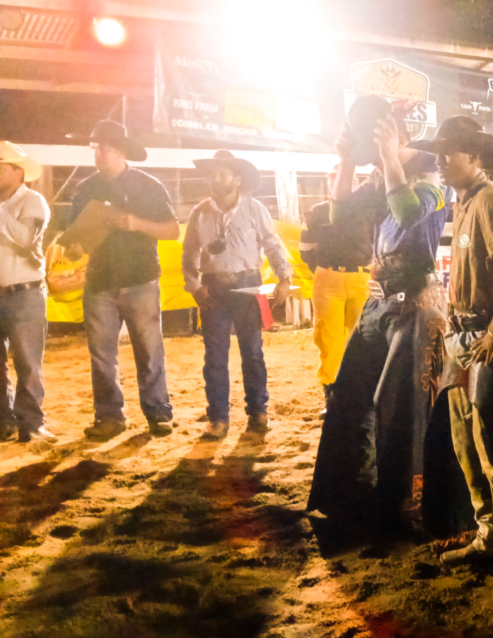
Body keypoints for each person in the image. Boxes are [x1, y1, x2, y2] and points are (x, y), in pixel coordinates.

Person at [308, 96, 471, 540]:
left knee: (399, 407)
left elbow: (408, 212)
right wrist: (346, 162)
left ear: (395, 133)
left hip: (417, 303)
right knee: (348, 396)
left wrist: (388, 159)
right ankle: (350, 497)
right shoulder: (382, 172)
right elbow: (340, 216)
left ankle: (406, 508)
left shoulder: (431, 169)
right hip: (379, 302)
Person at [410, 116, 493, 618]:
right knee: (469, 449)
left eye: (451, 151)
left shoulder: (489, 202)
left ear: (476, 157)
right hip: (464, 338)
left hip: (487, 339)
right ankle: (490, 538)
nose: (441, 160)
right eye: (439, 151)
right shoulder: (464, 202)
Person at [64, 121, 179, 440]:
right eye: (94, 148)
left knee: (149, 351)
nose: (96, 154)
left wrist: (136, 223)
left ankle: (156, 412)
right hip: (101, 280)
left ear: (120, 151)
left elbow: (172, 230)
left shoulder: (148, 185)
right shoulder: (85, 189)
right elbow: (74, 236)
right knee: (102, 355)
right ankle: (111, 415)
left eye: (102, 148)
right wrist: (75, 248)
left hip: (140, 278)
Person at [182, 150, 292, 440]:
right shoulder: (199, 213)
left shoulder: (254, 209)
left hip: (248, 287)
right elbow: (189, 252)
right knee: (215, 356)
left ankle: (258, 412)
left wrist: (284, 277)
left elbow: (272, 244)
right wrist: (195, 286)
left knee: (252, 352)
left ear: (237, 179)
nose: (215, 179)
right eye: (213, 173)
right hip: (213, 289)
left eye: (222, 173)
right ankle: (218, 418)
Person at [300, 166, 372, 403]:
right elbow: (306, 250)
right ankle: (332, 396)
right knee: (329, 340)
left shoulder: (370, 210)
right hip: (330, 280)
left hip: (361, 279)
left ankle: (358, 396)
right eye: (333, 180)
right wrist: (323, 271)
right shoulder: (317, 212)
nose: (338, 183)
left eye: (344, 179)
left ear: (356, 183)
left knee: (362, 339)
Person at [0, 142, 53, 443]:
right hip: (16, 293)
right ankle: (4, 422)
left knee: (27, 363)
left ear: (18, 173)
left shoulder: (33, 202)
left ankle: (31, 423)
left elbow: (25, 239)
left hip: (25, 293)